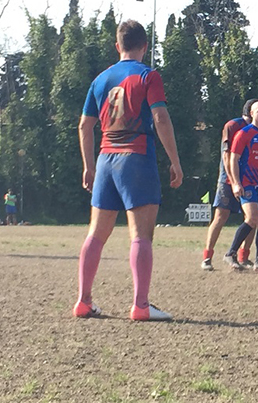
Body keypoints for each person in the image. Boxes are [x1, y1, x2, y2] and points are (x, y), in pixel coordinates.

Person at [73, 20, 183, 321]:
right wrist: (174, 160)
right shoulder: (148, 75)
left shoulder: (100, 79)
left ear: (117, 46)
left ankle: (83, 301)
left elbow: (85, 126)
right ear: (145, 47)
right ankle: (141, 306)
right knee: (141, 235)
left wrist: (88, 166)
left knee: (96, 234)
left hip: (106, 158)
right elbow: (160, 118)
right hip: (136, 157)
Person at [200, 99, 258, 271]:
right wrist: (233, 180)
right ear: (250, 111)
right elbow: (227, 156)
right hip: (228, 180)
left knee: (253, 217)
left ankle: (243, 256)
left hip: (250, 180)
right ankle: (207, 258)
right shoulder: (233, 126)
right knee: (220, 216)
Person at [225, 101, 258, 272]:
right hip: (247, 182)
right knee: (252, 217)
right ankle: (231, 253)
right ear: (252, 113)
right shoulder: (244, 134)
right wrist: (235, 182)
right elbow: (233, 158)